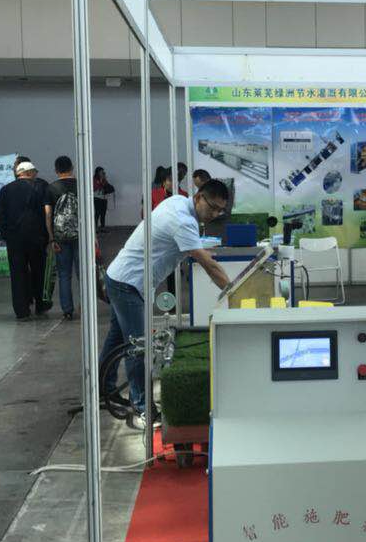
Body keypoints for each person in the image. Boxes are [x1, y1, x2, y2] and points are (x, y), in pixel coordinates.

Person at [101, 179, 233, 426]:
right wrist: (233, 292)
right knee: (138, 346)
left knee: (117, 339)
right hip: (129, 283)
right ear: (198, 197)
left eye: (220, 211)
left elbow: (190, 248)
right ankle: (143, 408)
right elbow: (209, 266)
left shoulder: (177, 202)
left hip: (120, 276)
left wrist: (201, 251)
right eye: (212, 207)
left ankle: (104, 390)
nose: (215, 214)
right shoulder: (184, 221)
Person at [0, 158, 52, 320]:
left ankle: (22, 311)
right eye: (35, 172)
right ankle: (41, 305)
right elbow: (48, 213)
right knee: (39, 272)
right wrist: (48, 236)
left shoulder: (6, 190)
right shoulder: (41, 187)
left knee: (18, 274)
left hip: (15, 240)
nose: (36, 174)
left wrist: (7, 235)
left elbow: (0, 217)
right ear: (29, 172)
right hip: (37, 238)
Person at [47, 156, 79, 320]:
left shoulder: (51, 188)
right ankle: (86, 307)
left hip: (60, 237)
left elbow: (48, 215)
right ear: (72, 168)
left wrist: (51, 238)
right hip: (80, 236)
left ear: (56, 170)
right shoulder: (81, 185)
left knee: (64, 275)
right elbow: (90, 212)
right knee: (83, 274)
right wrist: (93, 236)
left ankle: (67, 310)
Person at [92, 166, 114, 230]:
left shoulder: (104, 179)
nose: (102, 173)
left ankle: (103, 227)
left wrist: (104, 180)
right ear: (98, 172)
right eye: (101, 172)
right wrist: (101, 181)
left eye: (103, 172)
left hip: (104, 198)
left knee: (103, 213)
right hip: (97, 198)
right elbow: (94, 188)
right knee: (97, 213)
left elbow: (106, 186)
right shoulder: (94, 179)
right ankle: (95, 227)